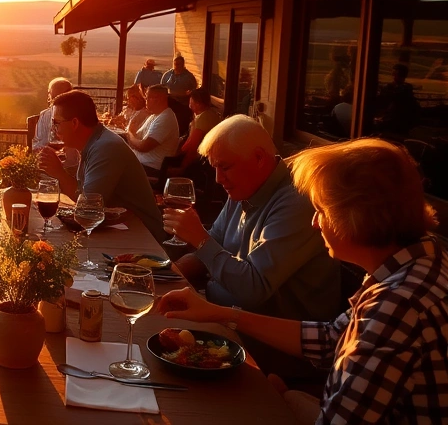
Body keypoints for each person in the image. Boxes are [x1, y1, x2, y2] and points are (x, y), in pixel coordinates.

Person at [158, 138, 446, 425]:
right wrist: (222, 314)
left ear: (357, 216)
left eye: (321, 209)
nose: (314, 222)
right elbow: (332, 338)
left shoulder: (398, 305)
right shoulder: (418, 261)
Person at [162, 115, 342, 323]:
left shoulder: (297, 202)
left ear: (259, 158)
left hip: (269, 341)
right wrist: (169, 274)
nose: (219, 179)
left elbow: (253, 289)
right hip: (223, 314)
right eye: (215, 168)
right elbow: (213, 246)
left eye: (225, 167)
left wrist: (200, 239)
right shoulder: (244, 187)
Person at [37, 90, 167, 242]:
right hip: (120, 230)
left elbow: (88, 207)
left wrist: (59, 173)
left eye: (56, 123)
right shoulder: (94, 143)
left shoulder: (106, 147)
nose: (54, 130)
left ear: (74, 123)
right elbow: (82, 191)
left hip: (143, 237)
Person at [167, 87, 221, 177]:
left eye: (191, 100)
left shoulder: (204, 118)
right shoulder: (210, 114)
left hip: (200, 162)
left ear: (198, 104)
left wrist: (181, 165)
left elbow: (193, 145)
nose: (189, 102)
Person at [126, 84, 180, 176]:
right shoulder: (154, 116)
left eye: (147, 98)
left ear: (157, 99)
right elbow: (137, 137)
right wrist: (131, 135)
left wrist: (129, 134)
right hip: (141, 164)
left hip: (151, 168)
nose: (145, 101)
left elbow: (143, 147)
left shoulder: (166, 118)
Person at [32, 76, 79, 169]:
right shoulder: (45, 115)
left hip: (73, 170)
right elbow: (37, 145)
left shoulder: (78, 116)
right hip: (51, 168)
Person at [374, 63, 420, 134]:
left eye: (395, 72)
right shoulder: (405, 88)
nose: (393, 74)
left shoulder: (402, 89)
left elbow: (388, 102)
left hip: (395, 121)